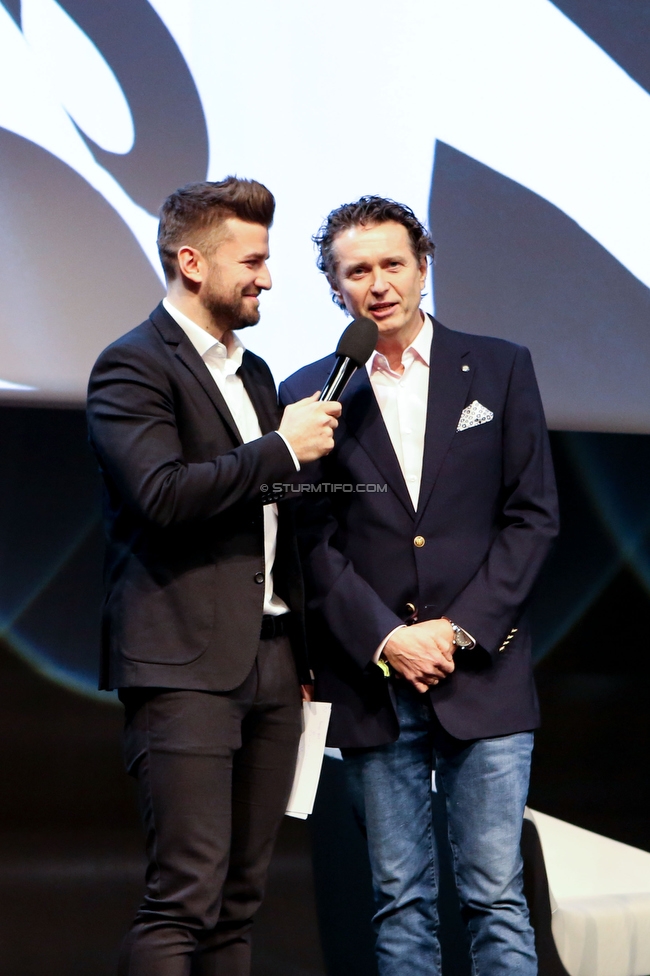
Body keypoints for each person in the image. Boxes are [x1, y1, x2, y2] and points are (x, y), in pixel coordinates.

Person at [280, 196, 559, 975]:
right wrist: (389, 638)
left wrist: (457, 629)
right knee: (400, 900)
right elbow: (310, 542)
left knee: (495, 895)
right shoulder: (312, 393)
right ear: (336, 288)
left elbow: (532, 517)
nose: (378, 284)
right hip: (373, 684)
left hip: (485, 673)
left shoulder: (500, 367)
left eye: (392, 264)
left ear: (424, 269)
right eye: (356, 270)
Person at [86, 177, 341, 976]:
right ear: (192, 262)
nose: (267, 277)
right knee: (184, 897)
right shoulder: (131, 367)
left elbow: (273, 521)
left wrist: (299, 656)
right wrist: (280, 449)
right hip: (184, 663)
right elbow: (161, 496)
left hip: (269, 661)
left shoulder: (254, 371)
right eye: (254, 259)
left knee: (240, 900)